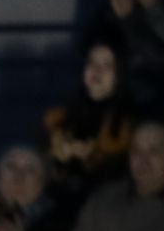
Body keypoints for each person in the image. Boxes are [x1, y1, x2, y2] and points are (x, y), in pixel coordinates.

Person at [42, 40, 134, 201]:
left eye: (106, 65)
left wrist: (91, 157)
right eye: (92, 62)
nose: (97, 70)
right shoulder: (56, 118)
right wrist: (59, 160)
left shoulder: (129, 123)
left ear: (119, 74)